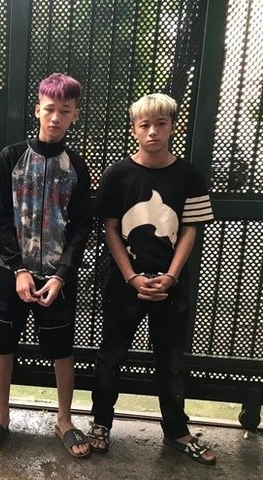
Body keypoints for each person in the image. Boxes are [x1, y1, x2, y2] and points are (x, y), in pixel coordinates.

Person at [88, 93, 216, 465]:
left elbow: (190, 229)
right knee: (110, 357)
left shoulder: (190, 176)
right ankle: (101, 423)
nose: (153, 132)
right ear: (134, 130)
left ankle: (177, 431)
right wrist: (131, 277)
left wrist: (171, 276)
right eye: (144, 125)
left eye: (161, 124)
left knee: (171, 361)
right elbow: (111, 229)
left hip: (171, 287)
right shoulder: (117, 174)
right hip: (123, 285)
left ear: (173, 126)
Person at [0, 73, 92, 457]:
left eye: (65, 111)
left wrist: (62, 275)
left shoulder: (76, 166)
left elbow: (81, 227)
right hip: (14, 273)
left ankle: (64, 419)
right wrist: (18, 269)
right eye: (49, 109)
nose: (55, 117)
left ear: (74, 114)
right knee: (3, 345)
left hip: (57, 277)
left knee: (62, 349)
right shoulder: (11, 157)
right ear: (37, 110)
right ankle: (2, 414)